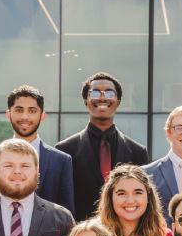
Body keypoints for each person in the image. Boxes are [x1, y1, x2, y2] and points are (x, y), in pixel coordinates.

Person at [55, 72, 150, 221]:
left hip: (124, 235)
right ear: (86, 102)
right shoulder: (65, 150)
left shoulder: (138, 152)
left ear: (118, 102)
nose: (102, 97)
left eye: (109, 93)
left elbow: (143, 199)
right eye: (95, 93)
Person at [0, 85, 75, 214]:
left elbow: (66, 213)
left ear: (42, 116)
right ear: (9, 115)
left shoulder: (62, 160)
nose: (25, 117)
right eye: (19, 110)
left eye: (32, 111)